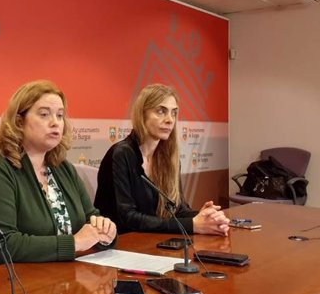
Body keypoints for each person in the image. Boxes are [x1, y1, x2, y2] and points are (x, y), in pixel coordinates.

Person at [0, 80, 117, 270]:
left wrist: (105, 231)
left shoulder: (63, 168)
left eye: (60, 115)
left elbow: (91, 218)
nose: (55, 122)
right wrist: (74, 243)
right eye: (44, 114)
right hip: (0, 278)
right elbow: (4, 244)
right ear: (19, 122)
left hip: (55, 275)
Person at [94, 84, 229, 235]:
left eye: (174, 113)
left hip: (154, 242)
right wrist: (192, 225)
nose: (170, 120)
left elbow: (178, 209)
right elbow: (127, 218)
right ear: (142, 114)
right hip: (121, 244)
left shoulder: (169, 158)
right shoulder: (121, 154)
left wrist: (205, 218)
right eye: (161, 111)